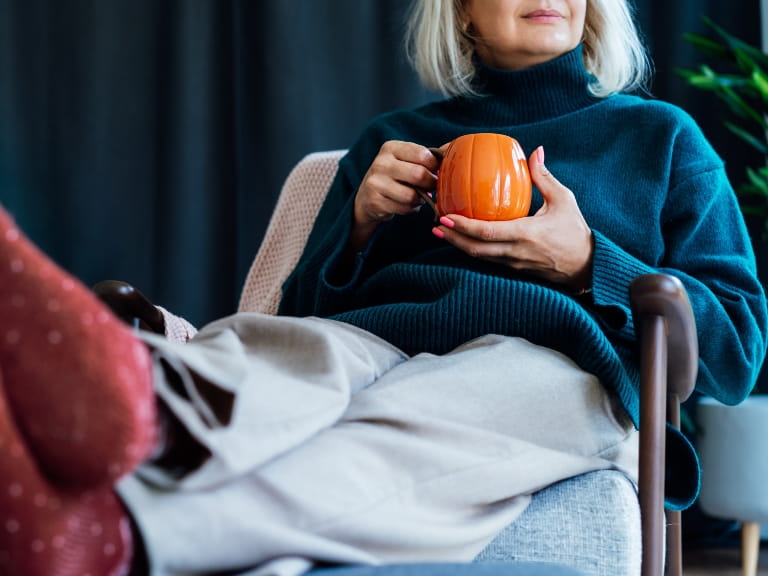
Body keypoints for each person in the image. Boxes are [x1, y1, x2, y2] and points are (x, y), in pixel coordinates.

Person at [0, 0, 766, 575]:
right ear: (460, 11)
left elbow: (736, 349)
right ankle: (125, 397)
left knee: (421, 413)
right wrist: (357, 226)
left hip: (558, 364)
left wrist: (589, 262)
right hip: (378, 340)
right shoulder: (390, 143)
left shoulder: (660, 139)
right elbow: (295, 312)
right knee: (284, 354)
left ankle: (122, 521)